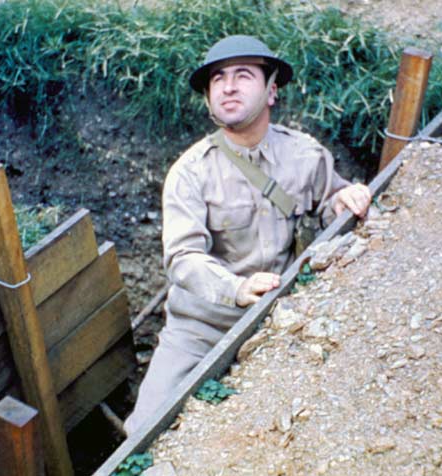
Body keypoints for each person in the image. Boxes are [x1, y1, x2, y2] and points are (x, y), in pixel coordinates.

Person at [124, 35, 371, 435]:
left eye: (244, 75)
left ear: (272, 91)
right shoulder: (190, 172)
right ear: (208, 98)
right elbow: (182, 259)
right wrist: (236, 289)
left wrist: (344, 198)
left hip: (281, 318)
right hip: (201, 327)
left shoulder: (305, 155)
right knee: (142, 432)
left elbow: (330, 204)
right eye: (218, 79)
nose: (229, 86)